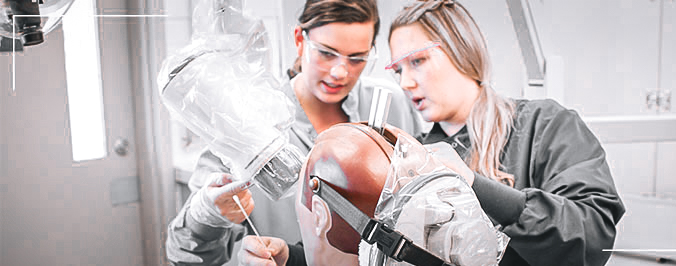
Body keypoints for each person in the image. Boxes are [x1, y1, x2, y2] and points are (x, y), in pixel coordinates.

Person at [239, 0, 626, 265]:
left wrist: (473, 183)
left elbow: (593, 237)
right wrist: (292, 256)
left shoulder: (545, 126)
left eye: (418, 61)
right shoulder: (416, 155)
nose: (406, 83)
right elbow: (377, 246)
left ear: (462, 50)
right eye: (398, 70)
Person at [165, 0, 424, 265]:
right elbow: (184, 255)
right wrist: (206, 216)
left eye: (357, 58)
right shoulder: (245, 126)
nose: (340, 72)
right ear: (300, 40)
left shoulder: (393, 105)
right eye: (326, 53)